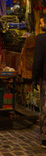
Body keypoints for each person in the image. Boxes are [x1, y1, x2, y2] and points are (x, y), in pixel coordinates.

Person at [32, 14, 46, 149]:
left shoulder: (41, 39)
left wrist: (34, 78)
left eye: (41, 23)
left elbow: (38, 60)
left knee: (45, 108)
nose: (40, 26)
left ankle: (45, 138)